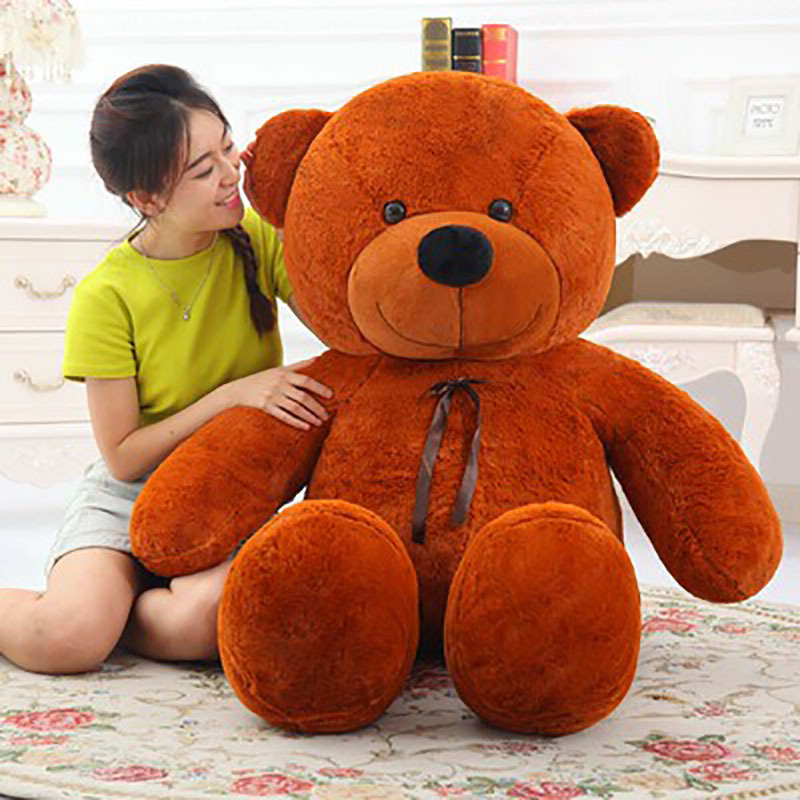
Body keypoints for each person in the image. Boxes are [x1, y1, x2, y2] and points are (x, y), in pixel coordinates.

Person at [0, 64, 333, 675]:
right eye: (203, 170)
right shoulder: (107, 295)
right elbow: (123, 456)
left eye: (228, 147)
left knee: (208, 620)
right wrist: (232, 396)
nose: (230, 174)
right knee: (65, 639)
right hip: (129, 498)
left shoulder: (258, 238)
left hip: (228, 492)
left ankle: (118, 613)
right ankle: (94, 609)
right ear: (146, 198)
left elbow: (342, 322)